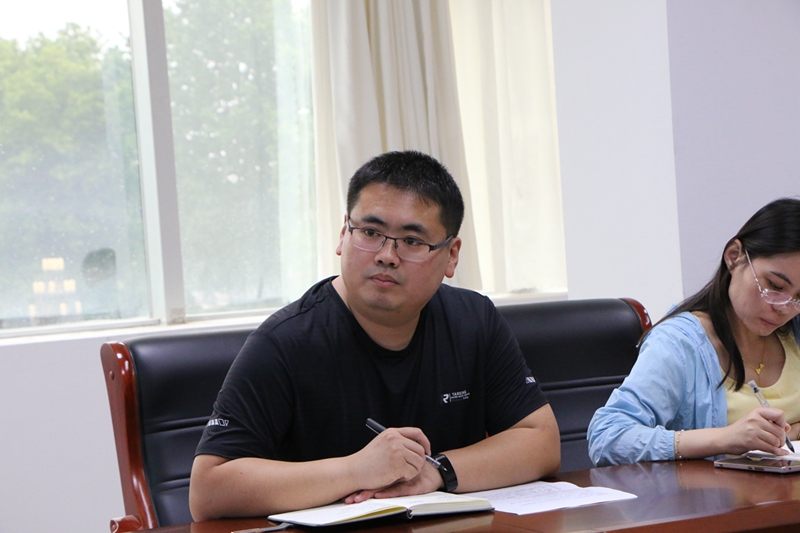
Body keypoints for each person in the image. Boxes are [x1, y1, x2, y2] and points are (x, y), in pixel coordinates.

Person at [189, 150, 560, 520]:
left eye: (411, 241)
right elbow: (208, 490)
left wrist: (436, 471)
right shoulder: (284, 342)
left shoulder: (473, 320)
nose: (387, 255)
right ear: (343, 234)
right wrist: (357, 470)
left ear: (451, 255)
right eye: (370, 233)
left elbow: (540, 440)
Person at [588, 197, 800, 466]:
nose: (784, 308)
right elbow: (607, 438)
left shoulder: (794, 329)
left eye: (799, 297)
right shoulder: (679, 344)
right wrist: (724, 438)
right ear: (734, 257)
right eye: (775, 286)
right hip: (721, 493)